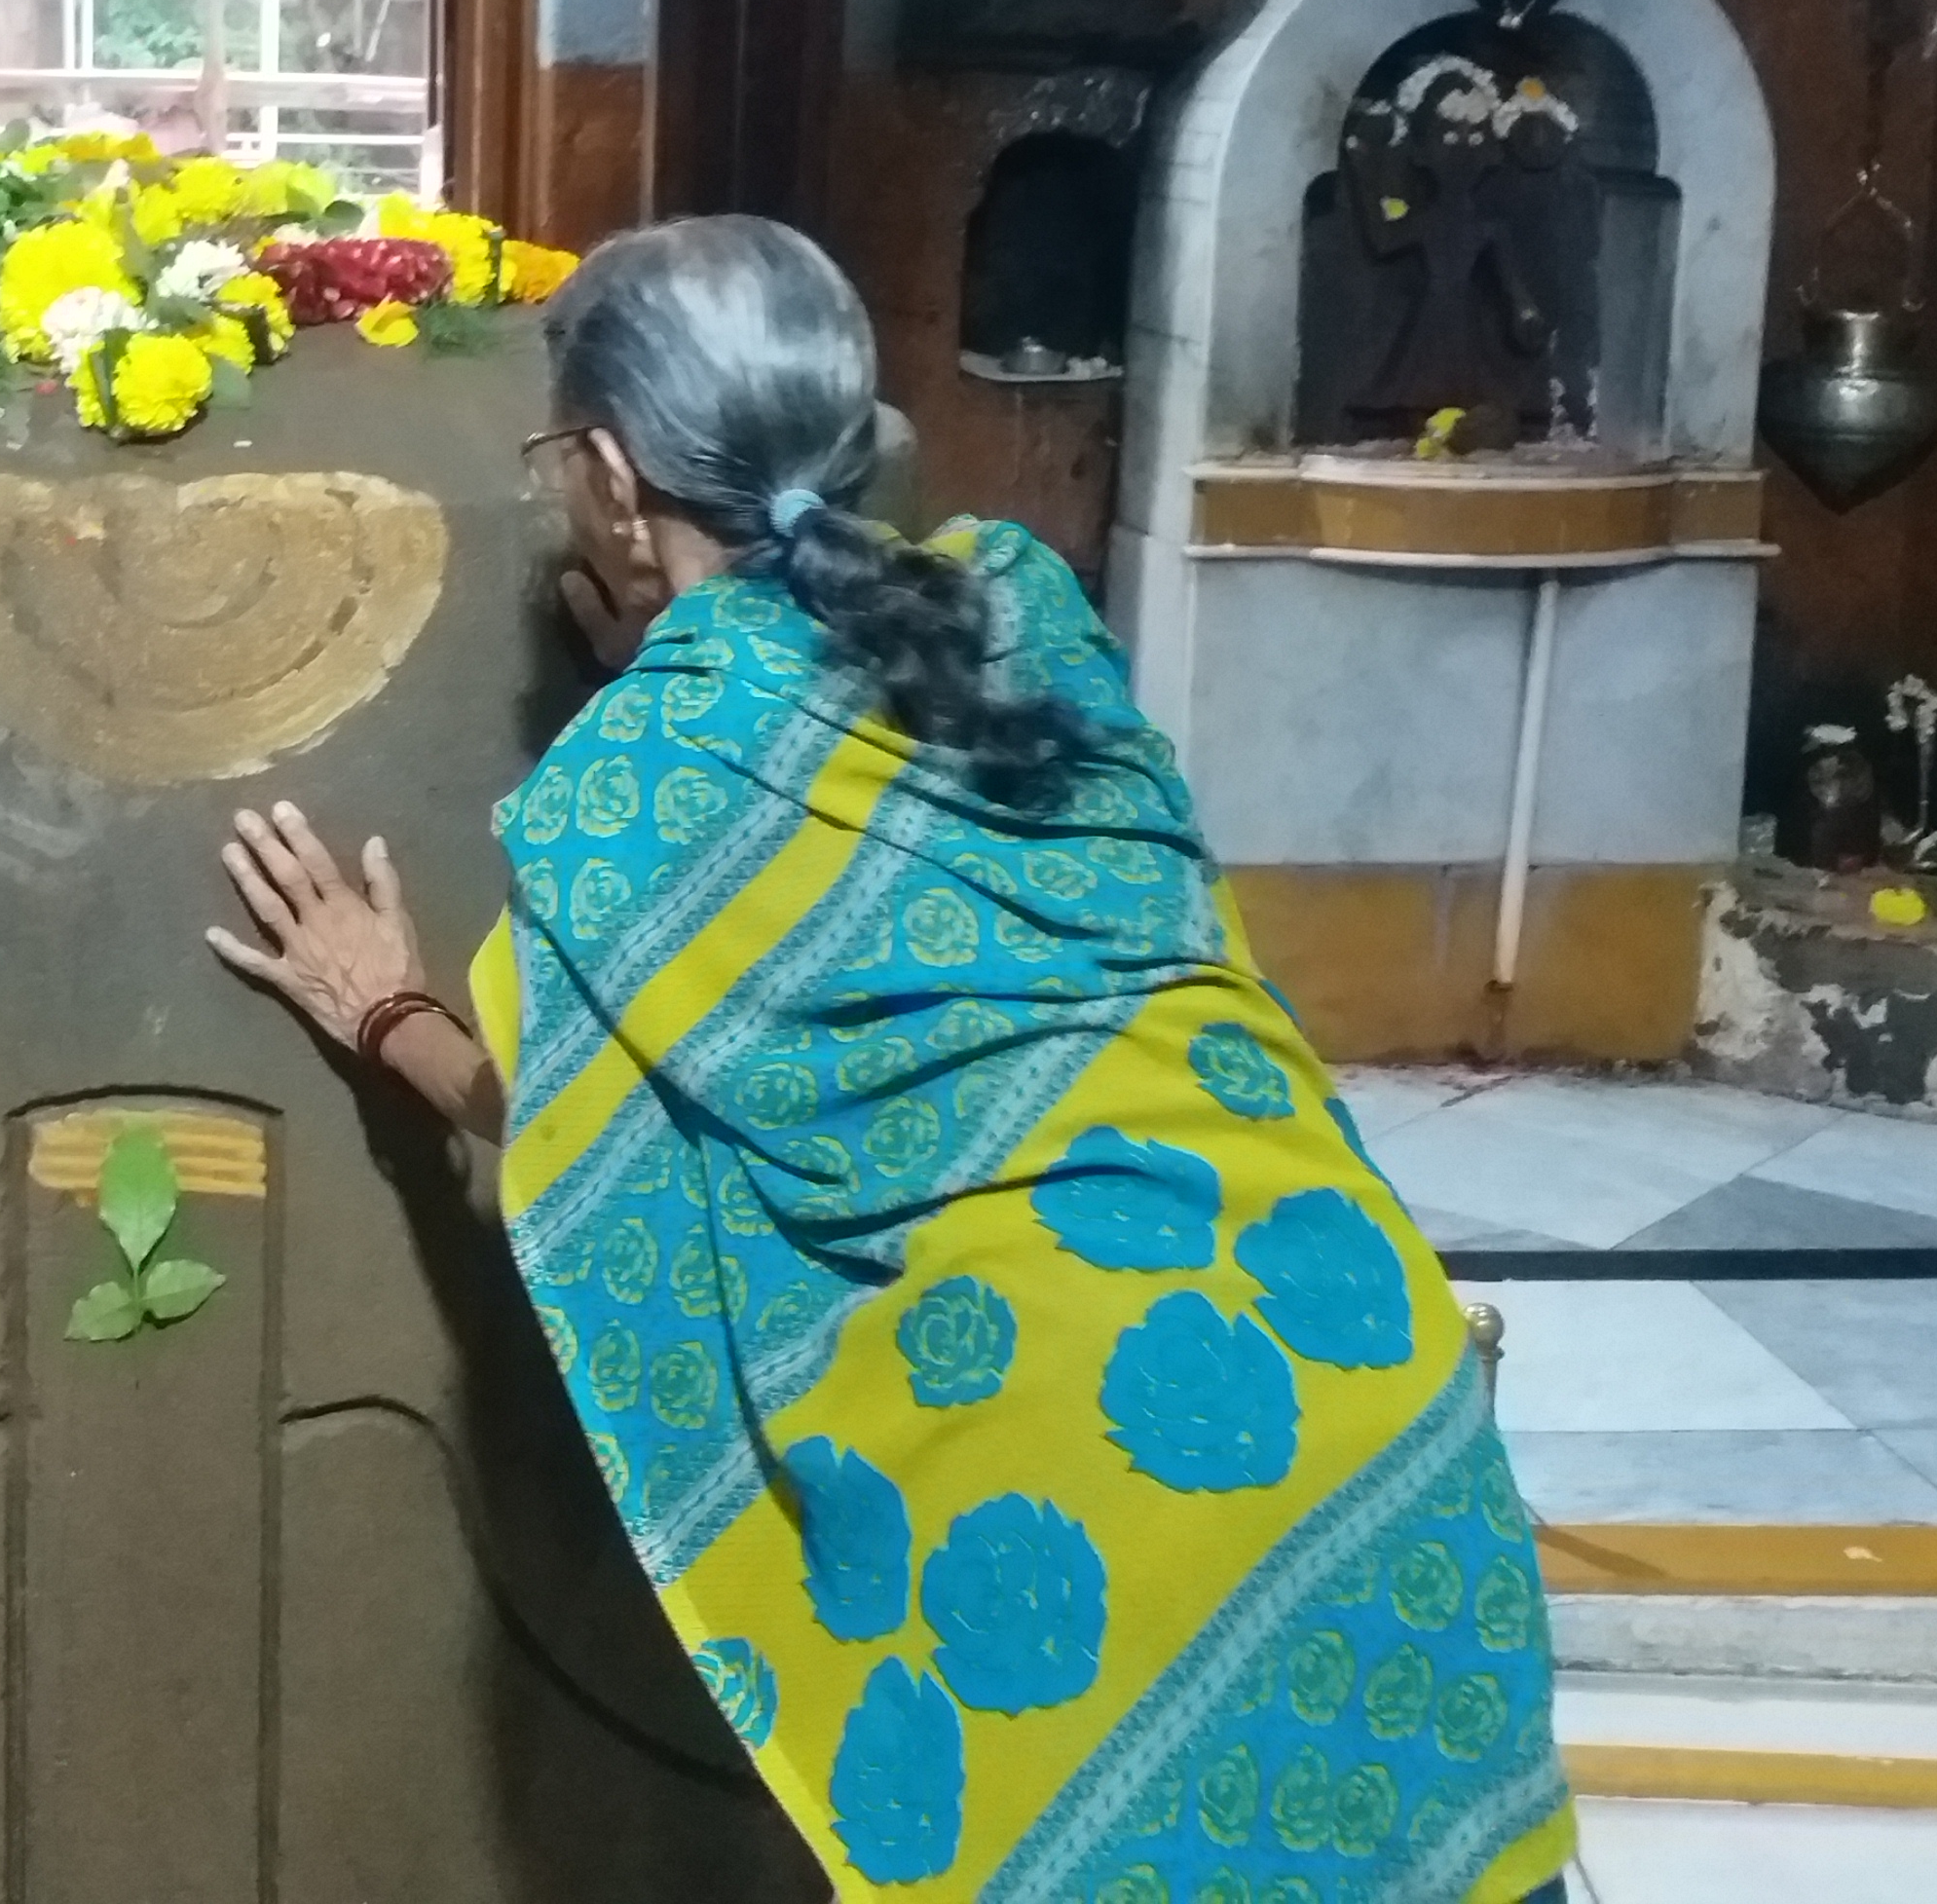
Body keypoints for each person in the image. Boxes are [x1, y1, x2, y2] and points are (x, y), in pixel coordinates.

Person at [205, 214, 1575, 1903]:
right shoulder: (1022, 608)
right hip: (1363, 1378)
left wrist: (380, 1005)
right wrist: (680, 664)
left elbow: (554, 1121)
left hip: (1108, 1468)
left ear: (618, 480)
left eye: (563, 455)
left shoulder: (638, 787)